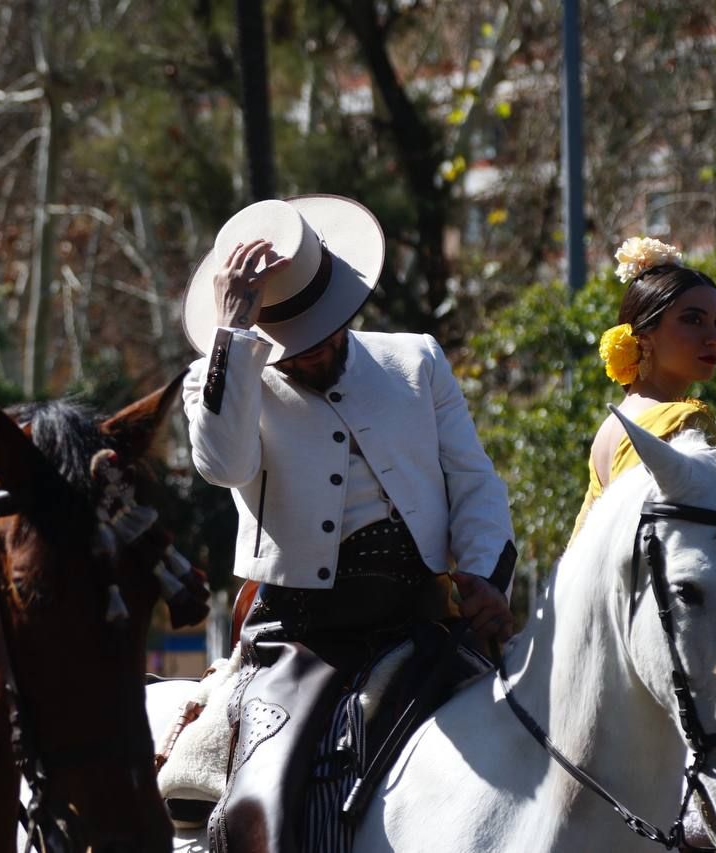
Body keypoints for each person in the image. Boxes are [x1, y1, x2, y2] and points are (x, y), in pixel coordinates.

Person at [181, 195, 516, 852]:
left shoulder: (416, 360)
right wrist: (236, 337)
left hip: (423, 619)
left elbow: (474, 482)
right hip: (303, 635)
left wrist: (482, 573)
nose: (313, 351)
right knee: (267, 806)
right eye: (293, 343)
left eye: (323, 330)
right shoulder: (221, 379)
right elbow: (221, 465)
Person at [571, 236, 716, 540]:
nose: (713, 338)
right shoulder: (680, 419)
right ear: (644, 336)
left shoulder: (613, 423)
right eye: (692, 320)